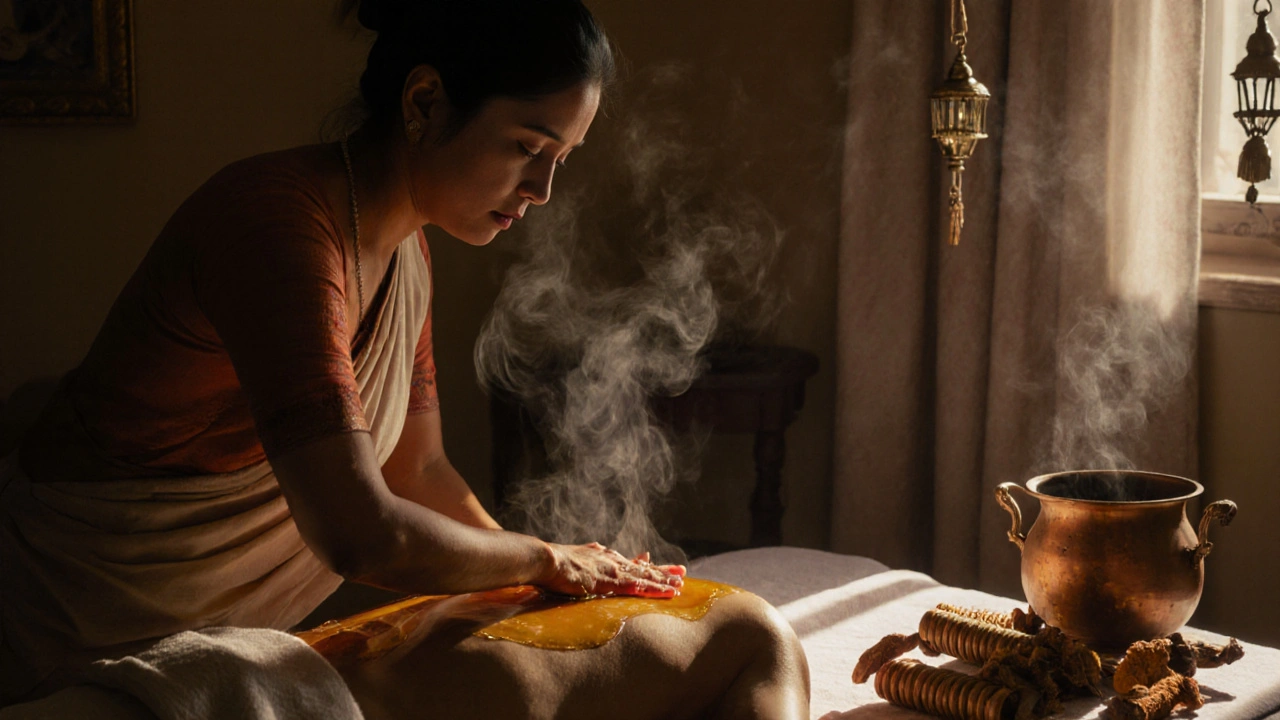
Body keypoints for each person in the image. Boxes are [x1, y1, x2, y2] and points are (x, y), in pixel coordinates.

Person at [0, 1, 810, 717]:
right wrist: (545, 557)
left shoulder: (406, 251)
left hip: (206, 646)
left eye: (562, 157)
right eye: (528, 145)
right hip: (71, 638)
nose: (543, 189)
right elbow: (363, 536)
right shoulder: (280, 229)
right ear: (424, 101)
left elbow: (418, 472)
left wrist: (535, 594)